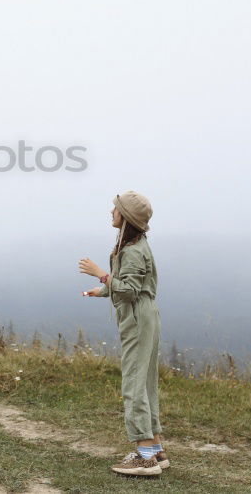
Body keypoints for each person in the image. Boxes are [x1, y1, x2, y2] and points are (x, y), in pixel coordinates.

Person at [80, 191, 168, 476]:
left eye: (115, 209)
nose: (111, 212)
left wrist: (100, 274)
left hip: (137, 319)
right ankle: (156, 450)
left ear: (126, 217)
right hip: (146, 315)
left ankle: (144, 458)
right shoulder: (137, 243)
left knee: (133, 383)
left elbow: (129, 289)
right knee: (144, 383)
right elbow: (132, 284)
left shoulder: (131, 249)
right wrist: (103, 290)